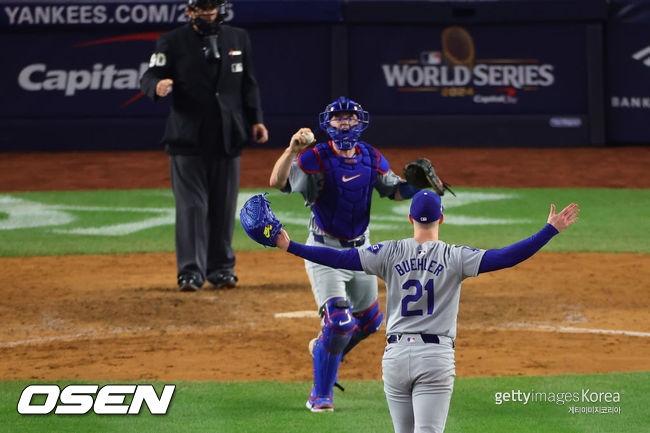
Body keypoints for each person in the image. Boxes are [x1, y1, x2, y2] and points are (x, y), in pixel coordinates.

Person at [272, 191, 579, 432]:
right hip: (435, 359)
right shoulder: (455, 256)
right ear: (441, 219)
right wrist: (549, 230)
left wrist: (292, 246)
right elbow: (506, 257)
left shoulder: (389, 252)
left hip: (394, 358)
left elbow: (338, 258)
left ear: (410, 218)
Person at [269, 96, 424, 412]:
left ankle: (324, 351)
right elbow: (278, 182)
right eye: (339, 119)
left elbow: (393, 189)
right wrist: (292, 149)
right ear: (328, 125)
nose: (345, 124)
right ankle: (320, 395)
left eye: (350, 119)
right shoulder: (315, 159)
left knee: (369, 322)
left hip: (361, 251)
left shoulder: (370, 156)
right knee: (340, 323)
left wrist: (416, 185)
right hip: (324, 251)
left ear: (360, 122)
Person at [141, 0, 268, 292]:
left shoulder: (238, 38)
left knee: (224, 208)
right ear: (189, 12)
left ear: (219, 8)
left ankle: (222, 269)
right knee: (193, 207)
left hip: (228, 135)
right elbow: (151, 74)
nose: (206, 12)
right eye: (200, 8)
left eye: (210, 6)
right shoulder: (172, 41)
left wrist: (256, 120)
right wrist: (156, 87)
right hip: (187, 137)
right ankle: (190, 271)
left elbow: (248, 84)